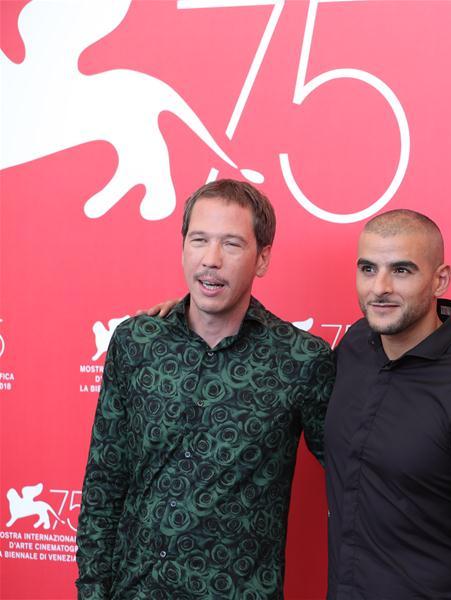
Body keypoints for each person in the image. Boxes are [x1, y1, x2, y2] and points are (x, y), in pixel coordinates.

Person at [76, 180, 335, 599]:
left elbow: (360, 475)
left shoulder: (301, 360)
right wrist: (91, 591)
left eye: (231, 244)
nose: (211, 260)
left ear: (262, 258)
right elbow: (105, 479)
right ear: (183, 247)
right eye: (199, 240)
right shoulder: (137, 342)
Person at [325, 209, 451, 599]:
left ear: (441, 278)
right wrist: (187, 318)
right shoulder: (354, 346)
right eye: (368, 269)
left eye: (401, 271)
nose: (379, 287)